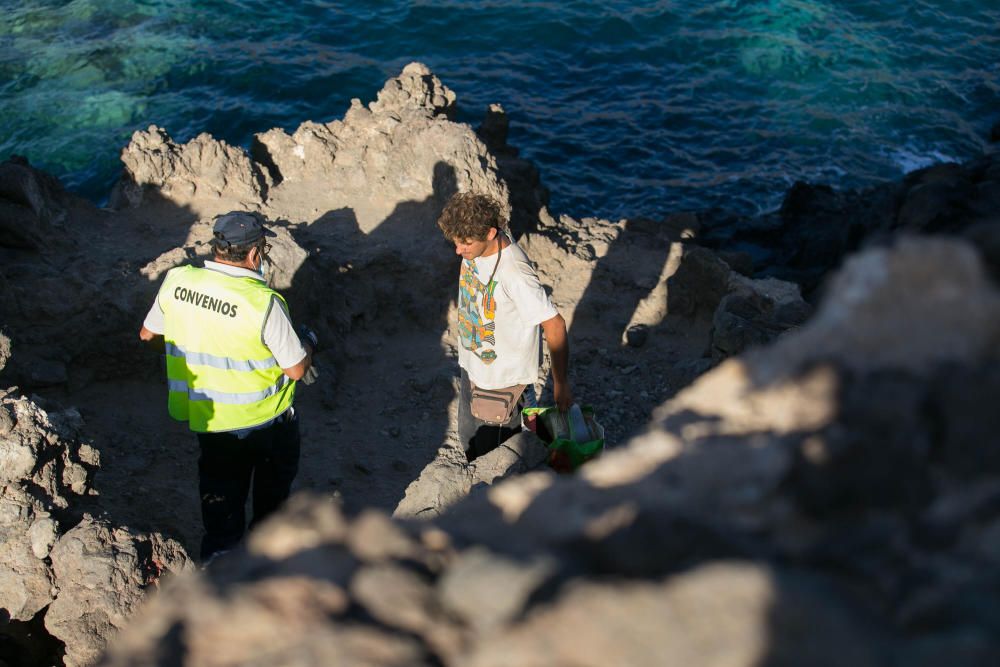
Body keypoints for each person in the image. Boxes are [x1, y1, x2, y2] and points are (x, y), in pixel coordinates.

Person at [139, 211, 317, 562]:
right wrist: (309, 342)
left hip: (211, 420)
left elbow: (148, 334)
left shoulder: (177, 281)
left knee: (221, 504)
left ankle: (218, 570)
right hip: (268, 421)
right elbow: (296, 369)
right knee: (271, 501)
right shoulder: (263, 302)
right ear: (254, 255)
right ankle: (267, 564)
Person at [437, 192, 572, 461]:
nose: (458, 250)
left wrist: (561, 384)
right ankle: (552, 443)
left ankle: (558, 456)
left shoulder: (515, 274)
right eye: (455, 242)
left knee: (494, 456)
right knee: (471, 440)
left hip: (502, 383)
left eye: (465, 243)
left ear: (489, 233)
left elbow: (555, 324)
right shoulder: (477, 247)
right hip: (473, 367)